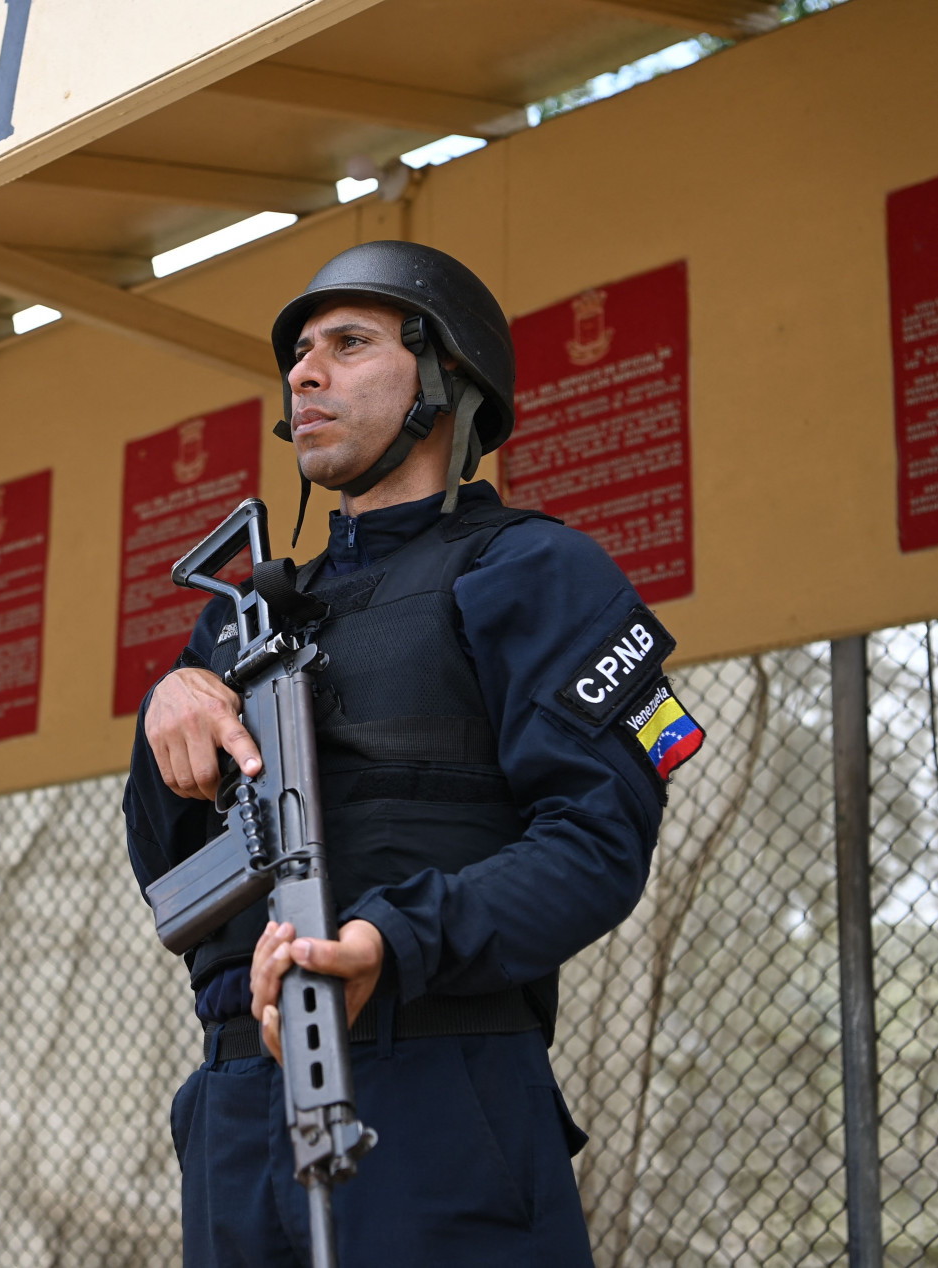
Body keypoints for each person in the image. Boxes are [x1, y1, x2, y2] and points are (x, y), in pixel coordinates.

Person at [124, 241, 703, 1265]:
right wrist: (165, 709)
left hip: (438, 1084)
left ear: (447, 381)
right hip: (238, 1103)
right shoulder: (244, 619)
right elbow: (170, 870)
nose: (303, 374)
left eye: (348, 344)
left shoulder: (535, 570)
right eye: (300, 354)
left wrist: (391, 940)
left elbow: (596, 841)